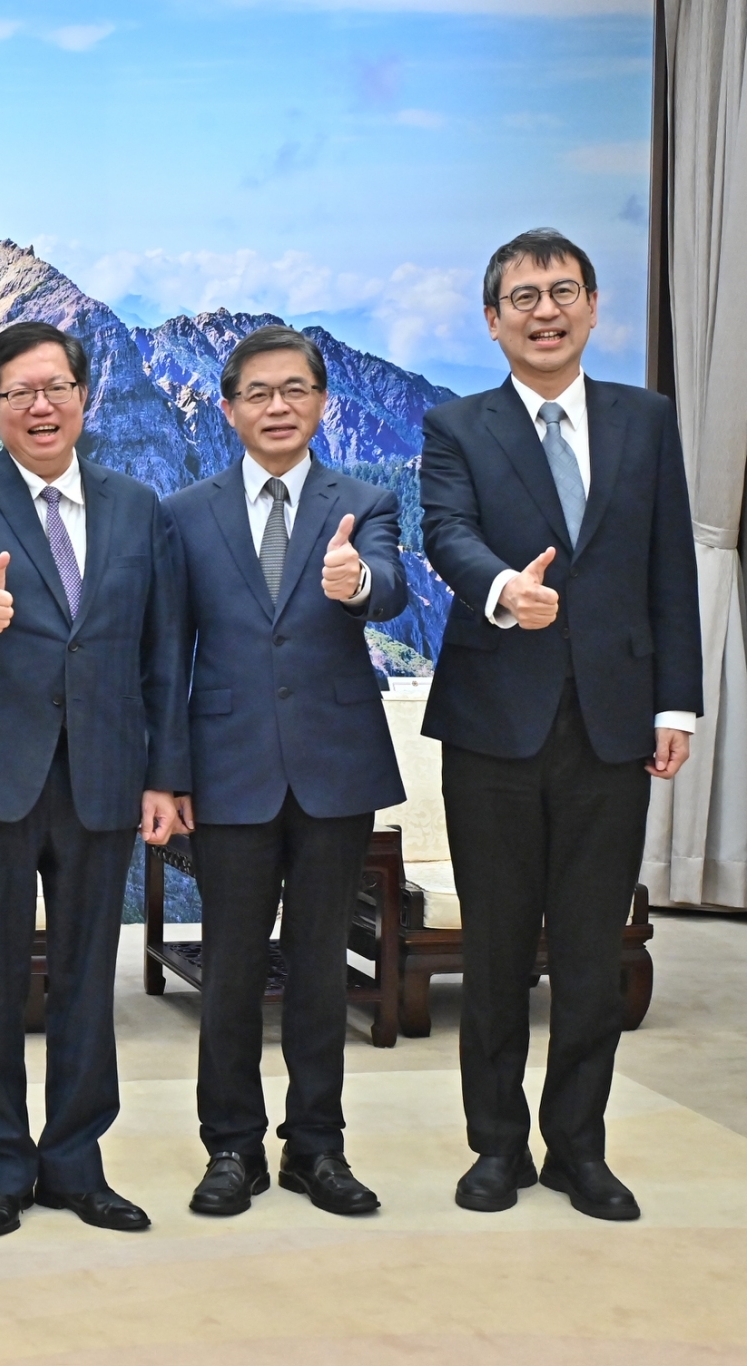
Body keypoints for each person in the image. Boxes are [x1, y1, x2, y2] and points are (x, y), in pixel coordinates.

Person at [421, 228, 700, 1221]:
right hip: (492, 724)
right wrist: (504, 589)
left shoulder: (644, 419)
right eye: (524, 297)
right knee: (495, 951)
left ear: (591, 306)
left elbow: (670, 564)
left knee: (589, 953)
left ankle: (579, 1148)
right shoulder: (457, 425)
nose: (545, 311)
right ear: (492, 319)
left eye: (563, 292)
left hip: (612, 726)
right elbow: (445, 533)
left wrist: (674, 702)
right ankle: (496, 1147)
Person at [0, 320, 189, 1239]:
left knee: (85, 980)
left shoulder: (136, 505)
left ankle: (75, 1162)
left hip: (102, 775)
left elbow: (162, 653)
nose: (40, 405)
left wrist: (164, 776)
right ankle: (2, 1166)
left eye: (55, 387)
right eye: (19, 392)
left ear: (83, 396)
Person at [164, 325, 405, 1219]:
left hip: (335, 770)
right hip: (227, 771)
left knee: (319, 966)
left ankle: (316, 1147)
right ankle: (231, 1147)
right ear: (229, 409)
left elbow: (389, 587)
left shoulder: (365, 502)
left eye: (295, 389)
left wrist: (358, 584)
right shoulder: (184, 512)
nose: (278, 406)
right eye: (258, 392)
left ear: (322, 403)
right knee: (230, 967)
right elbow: (168, 655)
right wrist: (169, 773)